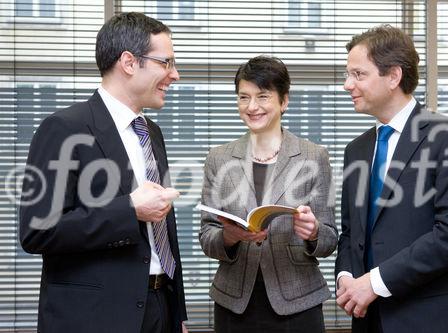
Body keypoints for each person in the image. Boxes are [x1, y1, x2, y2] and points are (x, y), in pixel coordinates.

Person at [19, 12, 188, 333]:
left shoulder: (151, 132)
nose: (175, 75)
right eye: (166, 63)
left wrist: (176, 312)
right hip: (96, 317)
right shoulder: (64, 129)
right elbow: (36, 230)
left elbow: (162, 232)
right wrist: (129, 210)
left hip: (158, 308)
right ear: (128, 62)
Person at [335, 24, 448, 333]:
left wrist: (374, 283)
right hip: (369, 320)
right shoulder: (357, 150)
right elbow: (351, 234)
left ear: (393, 76)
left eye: (359, 74)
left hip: (434, 319)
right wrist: (347, 278)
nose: (347, 85)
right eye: (347, 74)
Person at [198, 55, 337, 332]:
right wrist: (229, 236)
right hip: (234, 303)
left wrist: (313, 233)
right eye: (243, 97)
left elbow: (330, 239)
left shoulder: (314, 157)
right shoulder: (219, 158)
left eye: (263, 96)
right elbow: (206, 237)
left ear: (284, 101)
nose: (252, 107)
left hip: (298, 302)